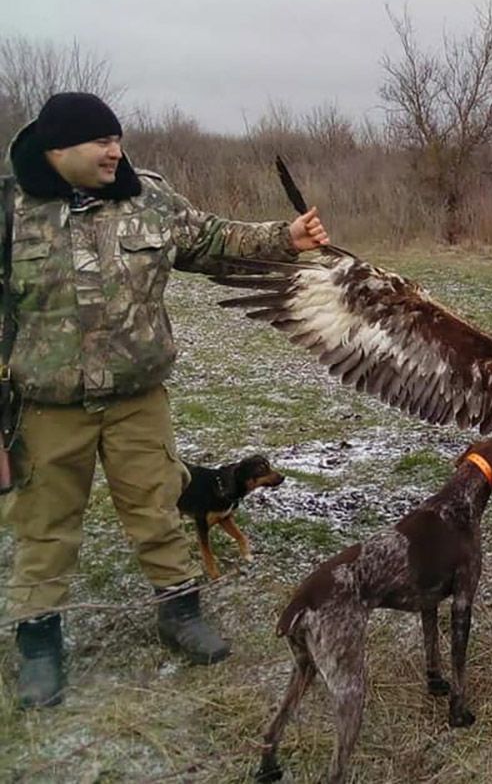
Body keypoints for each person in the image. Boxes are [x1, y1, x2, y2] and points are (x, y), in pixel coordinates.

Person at [1, 92, 329, 709]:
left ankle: (180, 612)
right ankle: (39, 641)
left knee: (159, 505)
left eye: (117, 138)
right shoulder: (12, 208)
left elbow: (210, 239)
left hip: (136, 397)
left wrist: (284, 236)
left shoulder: (147, 197)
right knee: (44, 525)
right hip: (47, 405)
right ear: (57, 148)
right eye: (100, 141)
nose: (114, 150)